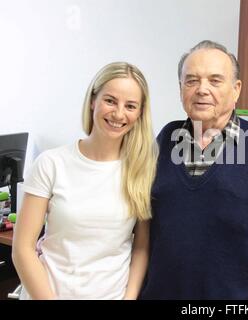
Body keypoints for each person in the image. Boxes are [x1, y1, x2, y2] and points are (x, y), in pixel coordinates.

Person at [139, 40, 248, 299]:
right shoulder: (167, 138)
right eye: (191, 81)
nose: (202, 90)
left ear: (236, 90)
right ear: (180, 89)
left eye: (215, 80)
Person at [12, 62, 158, 299]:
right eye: (110, 100)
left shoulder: (142, 170)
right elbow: (22, 249)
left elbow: (141, 247)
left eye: (130, 106)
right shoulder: (51, 163)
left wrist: (129, 298)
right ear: (93, 101)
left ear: (140, 113)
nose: (119, 114)